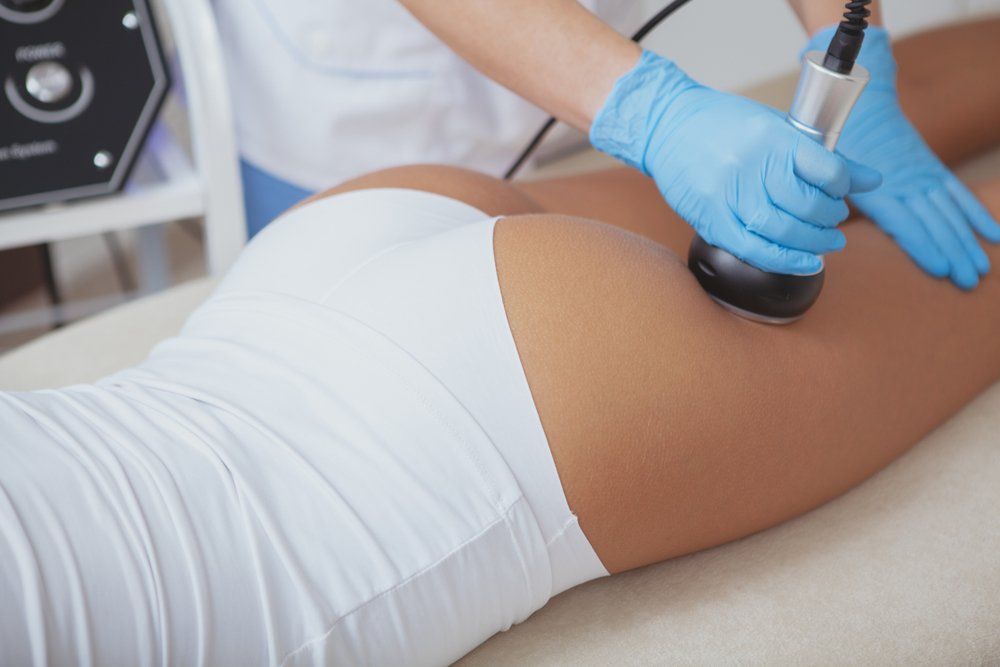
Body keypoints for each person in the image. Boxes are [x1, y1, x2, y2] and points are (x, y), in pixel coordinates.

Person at [1, 17, 999, 667]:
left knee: (849, 121)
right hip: (312, 267)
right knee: (809, 140)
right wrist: (650, 112)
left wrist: (835, 28)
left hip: (496, 404)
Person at [214, 1, 998, 289]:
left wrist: (849, 39)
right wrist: (651, 112)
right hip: (357, 97)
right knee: (362, 270)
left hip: (589, 84)